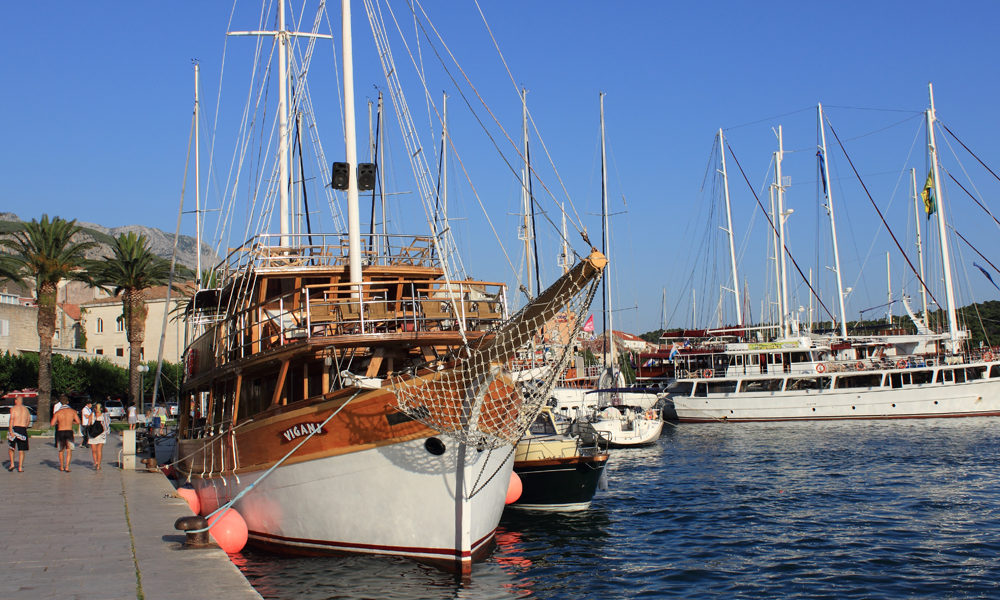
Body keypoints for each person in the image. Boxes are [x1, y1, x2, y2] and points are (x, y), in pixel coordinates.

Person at [51, 403, 80, 472]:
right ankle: (67, 466)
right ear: (67, 403)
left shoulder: (58, 412)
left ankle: (61, 466)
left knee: (61, 450)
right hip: (69, 431)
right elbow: (78, 421)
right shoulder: (72, 411)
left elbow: (52, 424)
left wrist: (59, 422)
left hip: (60, 431)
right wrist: (71, 422)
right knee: (69, 450)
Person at [6, 396, 31, 472]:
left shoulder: (13, 408)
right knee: (21, 450)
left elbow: (12, 419)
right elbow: (28, 421)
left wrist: (10, 431)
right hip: (23, 429)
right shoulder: (26, 410)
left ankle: (12, 464)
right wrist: (24, 428)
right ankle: (20, 467)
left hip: (15, 428)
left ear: (16, 401)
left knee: (11, 448)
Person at [88, 403, 111, 470]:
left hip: (93, 434)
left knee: (93, 450)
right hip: (101, 434)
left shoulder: (92, 415)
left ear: (94, 408)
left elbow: (89, 424)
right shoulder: (104, 416)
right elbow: (106, 425)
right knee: (99, 450)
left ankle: (95, 462)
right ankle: (98, 465)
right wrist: (107, 432)